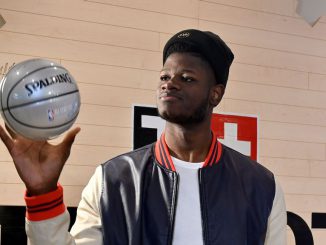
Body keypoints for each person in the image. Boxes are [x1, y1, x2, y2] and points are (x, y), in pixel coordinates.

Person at [0, 29, 287, 244]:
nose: (169, 84)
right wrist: (43, 193)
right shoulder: (112, 180)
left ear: (216, 93)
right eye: (164, 77)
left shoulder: (261, 186)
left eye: (186, 78)